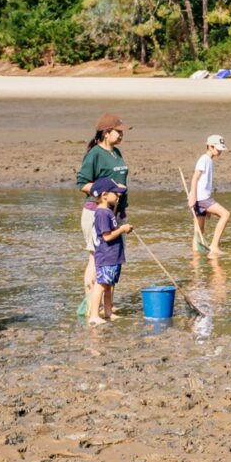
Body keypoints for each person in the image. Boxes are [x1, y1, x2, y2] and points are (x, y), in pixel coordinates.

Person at [76, 113, 131, 317]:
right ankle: (93, 305)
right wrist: (105, 193)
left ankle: (107, 305)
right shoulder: (95, 154)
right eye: (119, 131)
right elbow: (82, 183)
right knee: (96, 258)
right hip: (96, 213)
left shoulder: (116, 152)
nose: (122, 134)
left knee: (113, 258)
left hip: (117, 213)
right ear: (106, 133)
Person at [87, 178, 131, 326]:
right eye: (115, 193)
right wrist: (122, 229)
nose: (118, 196)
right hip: (106, 256)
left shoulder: (107, 212)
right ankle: (94, 315)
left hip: (112, 256)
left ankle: (108, 312)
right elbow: (107, 236)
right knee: (101, 285)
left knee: (108, 285)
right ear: (104, 195)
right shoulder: (102, 214)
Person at [188, 134, 231, 258]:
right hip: (202, 198)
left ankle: (196, 259)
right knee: (225, 214)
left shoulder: (209, 161)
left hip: (201, 198)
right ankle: (214, 246)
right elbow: (195, 178)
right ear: (210, 146)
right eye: (218, 149)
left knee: (199, 230)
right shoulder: (204, 159)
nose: (220, 152)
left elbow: (204, 182)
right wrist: (193, 197)